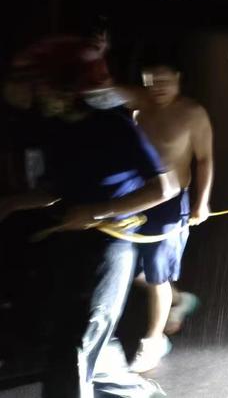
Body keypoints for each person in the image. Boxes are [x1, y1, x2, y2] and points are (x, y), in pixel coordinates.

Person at [1, 35, 178, 397]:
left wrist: (97, 211)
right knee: (84, 336)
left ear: (63, 86)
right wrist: (12, 203)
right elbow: (58, 188)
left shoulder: (112, 125)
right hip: (74, 240)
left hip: (112, 242)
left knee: (77, 342)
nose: (32, 94)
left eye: (38, 85)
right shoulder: (53, 128)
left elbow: (165, 187)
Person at [118, 61, 214, 373]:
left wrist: (202, 202)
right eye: (150, 80)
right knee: (132, 268)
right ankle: (179, 299)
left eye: (164, 80)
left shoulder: (192, 113)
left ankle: (154, 339)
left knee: (157, 273)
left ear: (178, 79)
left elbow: (204, 159)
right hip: (136, 197)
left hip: (172, 202)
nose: (157, 86)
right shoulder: (140, 106)